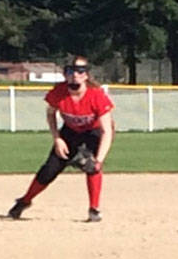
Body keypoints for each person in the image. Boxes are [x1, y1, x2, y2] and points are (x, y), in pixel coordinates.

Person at [7, 56, 115, 223]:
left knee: (92, 167)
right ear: (65, 74)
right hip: (69, 133)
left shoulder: (96, 96)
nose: (75, 75)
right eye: (71, 71)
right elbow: (51, 114)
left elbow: (107, 131)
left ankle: (94, 209)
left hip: (92, 133)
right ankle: (25, 201)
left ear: (86, 75)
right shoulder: (59, 92)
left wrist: (99, 160)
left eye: (80, 71)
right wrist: (57, 138)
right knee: (49, 170)